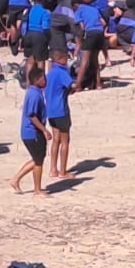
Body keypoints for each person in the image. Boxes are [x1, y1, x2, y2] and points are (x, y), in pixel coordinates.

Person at [12, 64, 51, 196]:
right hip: (32, 132)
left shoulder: (35, 92)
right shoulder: (34, 94)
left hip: (31, 132)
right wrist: (44, 130)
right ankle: (37, 190)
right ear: (37, 80)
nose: (45, 80)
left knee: (37, 159)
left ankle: (16, 179)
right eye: (43, 78)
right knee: (38, 161)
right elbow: (32, 115)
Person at [45, 50, 75, 179]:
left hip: (50, 111)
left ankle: (53, 169)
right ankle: (63, 171)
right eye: (66, 58)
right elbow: (73, 84)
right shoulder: (61, 72)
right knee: (65, 141)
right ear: (61, 59)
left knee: (56, 140)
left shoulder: (50, 73)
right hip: (61, 110)